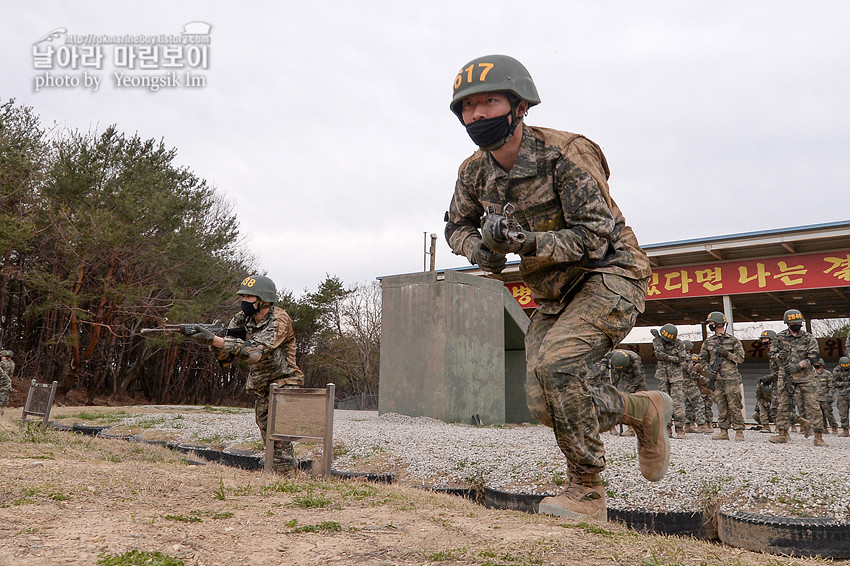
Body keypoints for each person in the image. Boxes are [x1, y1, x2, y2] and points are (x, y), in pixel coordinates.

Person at [444, 54, 672, 522]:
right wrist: (479, 250)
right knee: (547, 404)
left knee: (559, 366)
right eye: (468, 108)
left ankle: (586, 492)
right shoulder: (474, 172)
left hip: (609, 274)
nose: (478, 115)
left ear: (520, 105)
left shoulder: (566, 154)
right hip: (552, 293)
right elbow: (454, 226)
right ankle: (642, 411)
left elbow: (595, 235)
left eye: (489, 102)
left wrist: (528, 242)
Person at [183, 274, 305, 470]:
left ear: (263, 300)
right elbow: (226, 360)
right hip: (262, 385)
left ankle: (286, 478)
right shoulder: (241, 319)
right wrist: (212, 343)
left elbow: (255, 352)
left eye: (249, 297)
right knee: (268, 435)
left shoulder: (279, 320)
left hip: (285, 383)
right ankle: (278, 475)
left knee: (279, 436)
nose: (244, 301)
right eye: (243, 297)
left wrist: (215, 340)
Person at [768, 309, 826, 447]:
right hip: (786, 375)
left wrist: (799, 366)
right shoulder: (780, 337)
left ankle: (818, 436)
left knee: (813, 405)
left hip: (806, 376)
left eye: (799, 323)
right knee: (783, 405)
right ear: (787, 323)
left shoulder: (808, 338)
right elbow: (772, 354)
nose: (797, 325)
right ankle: (782, 434)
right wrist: (778, 357)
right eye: (794, 323)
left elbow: (814, 357)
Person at [698, 312, 746, 441]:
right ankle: (723, 431)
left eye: (711, 323)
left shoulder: (733, 340)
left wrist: (726, 354)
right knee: (721, 405)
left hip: (731, 378)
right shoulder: (708, 342)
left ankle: (739, 431)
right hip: (716, 379)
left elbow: (740, 358)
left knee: (735, 404)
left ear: (719, 324)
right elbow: (702, 358)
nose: (709, 325)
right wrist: (707, 371)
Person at [652, 324, 688, 438]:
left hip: (676, 377)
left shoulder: (679, 343)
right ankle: (667, 428)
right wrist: (658, 339)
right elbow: (658, 354)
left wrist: (668, 357)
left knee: (677, 403)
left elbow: (682, 361)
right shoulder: (658, 340)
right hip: (662, 376)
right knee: (664, 403)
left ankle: (680, 428)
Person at [611, 349, 647, 437]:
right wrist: (613, 387)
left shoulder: (634, 359)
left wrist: (631, 389)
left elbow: (639, 376)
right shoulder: (615, 357)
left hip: (638, 379)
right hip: (626, 378)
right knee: (627, 403)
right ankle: (630, 429)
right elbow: (616, 374)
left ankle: (643, 427)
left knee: (640, 402)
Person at [681, 340, 708, 433]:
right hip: (689, 384)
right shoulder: (687, 358)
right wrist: (703, 379)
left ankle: (688, 426)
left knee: (688, 405)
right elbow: (692, 372)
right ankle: (701, 425)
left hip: (681, 384)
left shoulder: (678, 357)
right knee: (699, 403)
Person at [814, 358, 838, 434]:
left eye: (819, 364)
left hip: (825, 397)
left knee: (829, 413)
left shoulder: (827, 374)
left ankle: (834, 427)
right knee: (819, 415)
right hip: (816, 398)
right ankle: (824, 428)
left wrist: (830, 395)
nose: (817, 365)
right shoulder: (812, 374)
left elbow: (831, 386)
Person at [833, 356, 850, 437]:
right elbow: (835, 383)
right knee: (843, 413)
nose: (846, 367)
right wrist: (844, 384)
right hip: (842, 394)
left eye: (847, 365)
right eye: (844, 365)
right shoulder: (836, 370)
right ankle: (845, 430)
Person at [0, 350, 13, 416]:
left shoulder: (2, 363)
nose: (1, 357)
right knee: (3, 400)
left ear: (6, 357)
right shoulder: (12, 363)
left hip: (2, 382)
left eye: (2, 356)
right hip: (8, 383)